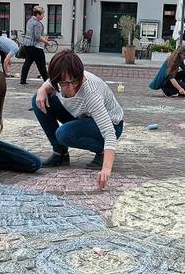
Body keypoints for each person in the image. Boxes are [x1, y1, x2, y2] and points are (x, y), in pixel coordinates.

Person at [32, 49, 124, 190]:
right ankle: (60, 153)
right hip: (82, 117)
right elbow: (48, 83)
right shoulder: (58, 79)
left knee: (64, 133)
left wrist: (106, 168)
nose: (71, 87)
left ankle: (101, 151)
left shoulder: (91, 92)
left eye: (75, 81)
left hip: (112, 124)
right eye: (64, 83)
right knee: (38, 101)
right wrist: (41, 90)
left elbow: (109, 132)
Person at [20, 6, 50, 85]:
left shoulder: (29, 21)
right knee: (41, 64)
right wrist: (47, 42)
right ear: (38, 14)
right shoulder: (37, 23)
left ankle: (22, 80)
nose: (43, 16)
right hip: (35, 46)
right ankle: (47, 81)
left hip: (27, 45)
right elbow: (38, 37)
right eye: (42, 14)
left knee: (28, 62)